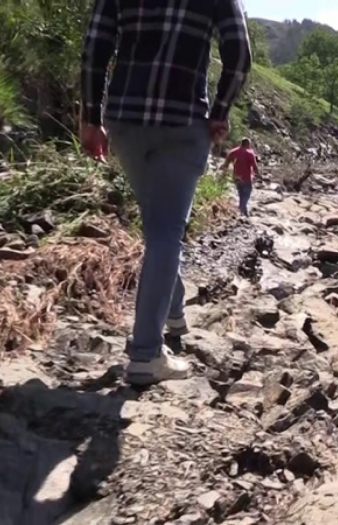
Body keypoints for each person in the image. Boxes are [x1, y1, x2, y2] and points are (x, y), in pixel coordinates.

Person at [79, 0, 252, 385]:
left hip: (126, 120)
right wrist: (221, 111)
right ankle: (146, 354)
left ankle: (173, 312)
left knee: (158, 225)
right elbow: (238, 55)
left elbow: (95, 48)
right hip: (183, 121)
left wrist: (90, 118)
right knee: (166, 231)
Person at [221, 138, 260, 216]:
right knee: (247, 192)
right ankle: (243, 206)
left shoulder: (233, 152)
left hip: (236, 176)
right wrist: (258, 174)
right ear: (248, 144)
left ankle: (242, 207)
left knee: (240, 192)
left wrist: (224, 172)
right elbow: (254, 166)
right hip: (247, 177)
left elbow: (226, 163)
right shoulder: (250, 153)